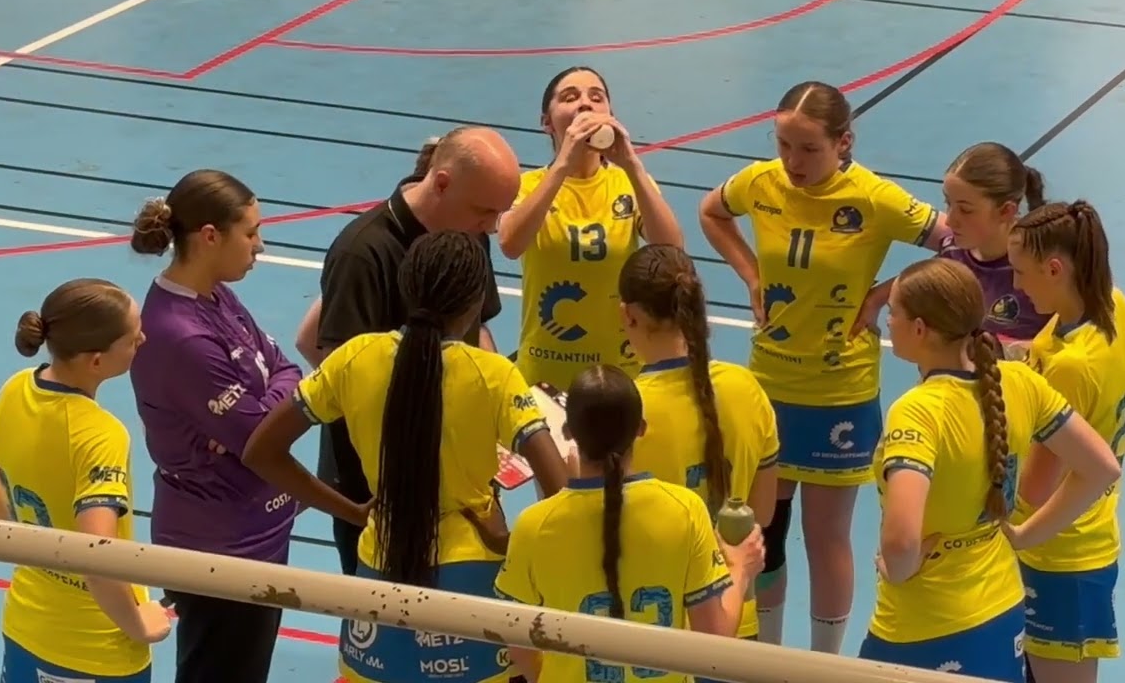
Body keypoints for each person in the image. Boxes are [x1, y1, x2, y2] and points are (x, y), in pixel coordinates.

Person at [242, 231, 570, 683]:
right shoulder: (494, 374)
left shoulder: (354, 358)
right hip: (473, 571)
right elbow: (562, 492)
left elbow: (261, 452)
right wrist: (513, 545)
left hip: (380, 564)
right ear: (476, 302)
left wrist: (351, 512)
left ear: (405, 286)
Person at [697, 80, 952, 652]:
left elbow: (955, 244)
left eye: (809, 148)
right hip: (770, 383)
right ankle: (765, 657)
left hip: (840, 392)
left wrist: (883, 295)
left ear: (844, 143)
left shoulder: (874, 198)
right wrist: (750, 275)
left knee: (826, 536)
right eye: (784, 145)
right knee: (765, 531)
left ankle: (824, 664)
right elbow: (711, 211)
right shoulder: (760, 182)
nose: (793, 162)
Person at [859, 257, 1121, 682]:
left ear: (920, 329)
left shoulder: (917, 411)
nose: (889, 322)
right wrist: (1025, 536)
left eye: (894, 313)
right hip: (1001, 610)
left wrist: (897, 567)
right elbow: (1102, 468)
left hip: (922, 626)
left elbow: (902, 541)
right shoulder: (1017, 381)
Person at [297, 127, 517, 576]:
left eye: (500, 212)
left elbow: (479, 329)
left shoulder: (469, 232)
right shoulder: (362, 254)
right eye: (485, 211)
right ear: (442, 184)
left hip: (461, 484)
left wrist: (494, 408)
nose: (493, 227)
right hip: (377, 490)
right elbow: (338, 369)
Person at [128, 169, 304, 683]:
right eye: (250, 232)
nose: (260, 245)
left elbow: (288, 369)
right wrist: (271, 405)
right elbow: (259, 435)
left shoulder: (216, 295)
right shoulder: (181, 336)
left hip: (257, 528)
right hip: (218, 546)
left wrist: (267, 401)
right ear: (210, 236)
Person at [493, 364, 767, 683]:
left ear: (569, 431)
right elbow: (714, 643)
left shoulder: (535, 525)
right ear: (641, 428)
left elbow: (519, 647)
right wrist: (740, 569)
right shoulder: (684, 511)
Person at [1006, 201, 1125, 683]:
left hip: (1057, 555)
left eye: (1021, 272)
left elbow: (1034, 490)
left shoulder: (1069, 367)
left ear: (1055, 269)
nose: (1016, 285)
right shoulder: (1112, 304)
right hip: (1088, 535)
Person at [0, 279, 170, 683]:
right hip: (94, 649)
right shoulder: (100, 434)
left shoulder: (16, 388)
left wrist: (18, 538)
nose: (142, 339)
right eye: (132, 337)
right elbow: (95, 554)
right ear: (96, 361)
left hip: (25, 624)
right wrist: (138, 624)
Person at [616, 243, 779, 651]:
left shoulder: (626, 412)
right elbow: (762, 513)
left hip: (657, 627)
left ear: (627, 315)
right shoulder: (747, 389)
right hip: (734, 616)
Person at [498, 65, 684, 391]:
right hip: (544, 375)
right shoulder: (527, 186)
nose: (585, 103)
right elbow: (510, 244)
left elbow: (672, 252)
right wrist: (563, 165)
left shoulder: (627, 183)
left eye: (596, 98)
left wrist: (633, 165)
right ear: (547, 122)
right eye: (570, 97)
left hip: (619, 376)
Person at [939, 142, 1050, 351]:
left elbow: (1083, 338)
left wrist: (1012, 351)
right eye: (948, 203)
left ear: (1006, 211)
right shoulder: (951, 254)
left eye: (965, 210)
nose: (950, 220)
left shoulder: (1043, 265)